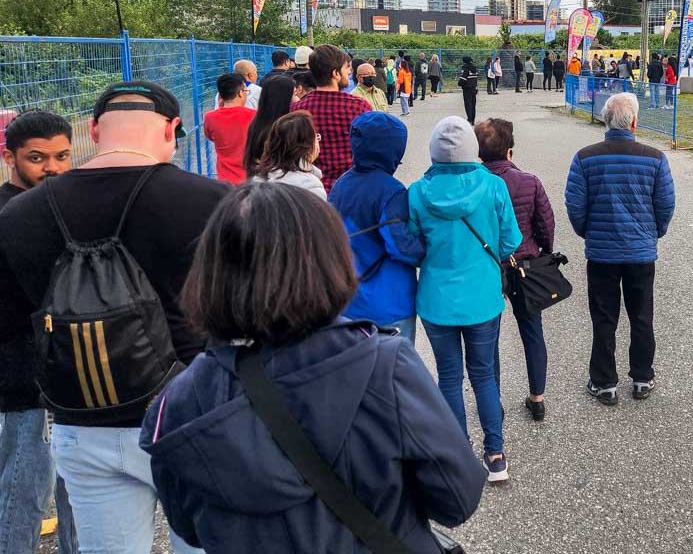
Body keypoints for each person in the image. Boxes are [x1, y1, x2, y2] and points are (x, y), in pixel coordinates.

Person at [140, 182, 486, 554]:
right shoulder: (384, 366)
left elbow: (188, 526)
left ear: (209, 271)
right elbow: (457, 497)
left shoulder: (177, 404)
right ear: (329, 260)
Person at [0, 81, 228, 554]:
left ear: (94, 129)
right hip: (192, 413)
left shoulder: (19, 215)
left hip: (81, 416)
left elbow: (10, 322)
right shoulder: (213, 201)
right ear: (172, 129)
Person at [408, 117, 521, 484]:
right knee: (484, 374)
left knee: (449, 378)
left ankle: (459, 454)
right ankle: (496, 454)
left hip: (437, 299)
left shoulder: (417, 192)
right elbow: (509, 243)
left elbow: (413, 247)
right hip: (482, 296)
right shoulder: (494, 186)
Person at [0, 111, 78, 554]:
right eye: (37, 158)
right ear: (8, 156)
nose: (52, 167)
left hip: (70, 369)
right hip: (22, 375)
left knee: (77, 490)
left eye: (62, 156)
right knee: (23, 491)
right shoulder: (8, 212)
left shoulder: (62, 206)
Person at [565, 93, 674, 406]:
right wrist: (654, 233)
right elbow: (665, 203)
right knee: (642, 316)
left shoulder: (585, 157)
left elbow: (575, 203)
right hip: (640, 253)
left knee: (604, 317)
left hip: (601, 254)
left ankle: (604, 382)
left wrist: (587, 232)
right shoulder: (654, 157)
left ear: (604, 119)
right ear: (635, 122)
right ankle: (641, 377)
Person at [476, 118, 555, 422]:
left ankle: (492, 398)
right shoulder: (529, 181)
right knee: (532, 330)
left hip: (489, 265)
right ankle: (537, 397)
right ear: (509, 151)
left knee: (489, 334)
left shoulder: (475, 183)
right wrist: (545, 252)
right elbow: (545, 224)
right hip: (524, 263)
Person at [330, 112, 425, 340]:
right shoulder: (391, 190)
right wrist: (429, 245)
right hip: (388, 303)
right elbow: (401, 247)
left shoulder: (340, 184)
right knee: (393, 373)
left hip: (348, 300)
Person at [293, 44, 371, 192]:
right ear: (335, 73)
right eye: (346, 68)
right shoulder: (359, 107)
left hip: (311, 190)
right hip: (351, 189)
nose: (349, 72)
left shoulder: (298, 109)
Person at [252, 111, 326, 199]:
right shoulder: (310, 185)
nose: (318, 141)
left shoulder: (258, 181)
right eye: (315, 137)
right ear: (306, 146)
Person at [204, 73, 257, 183]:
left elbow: (211, 137)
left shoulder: (210, 117)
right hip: (250, 177)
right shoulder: (254, 115)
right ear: (240, 93)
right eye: (246, 91)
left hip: (224, 178)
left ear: (220, 95)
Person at [459, 55, 480, 124]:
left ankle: (469, 119)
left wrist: (460, 83)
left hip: (467, 88)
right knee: (473, 104)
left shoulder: (465, 68)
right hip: (474, 87)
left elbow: (463, 78)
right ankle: (473, 119)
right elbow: (476, 77)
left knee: (468, 104)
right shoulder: (474, 68)